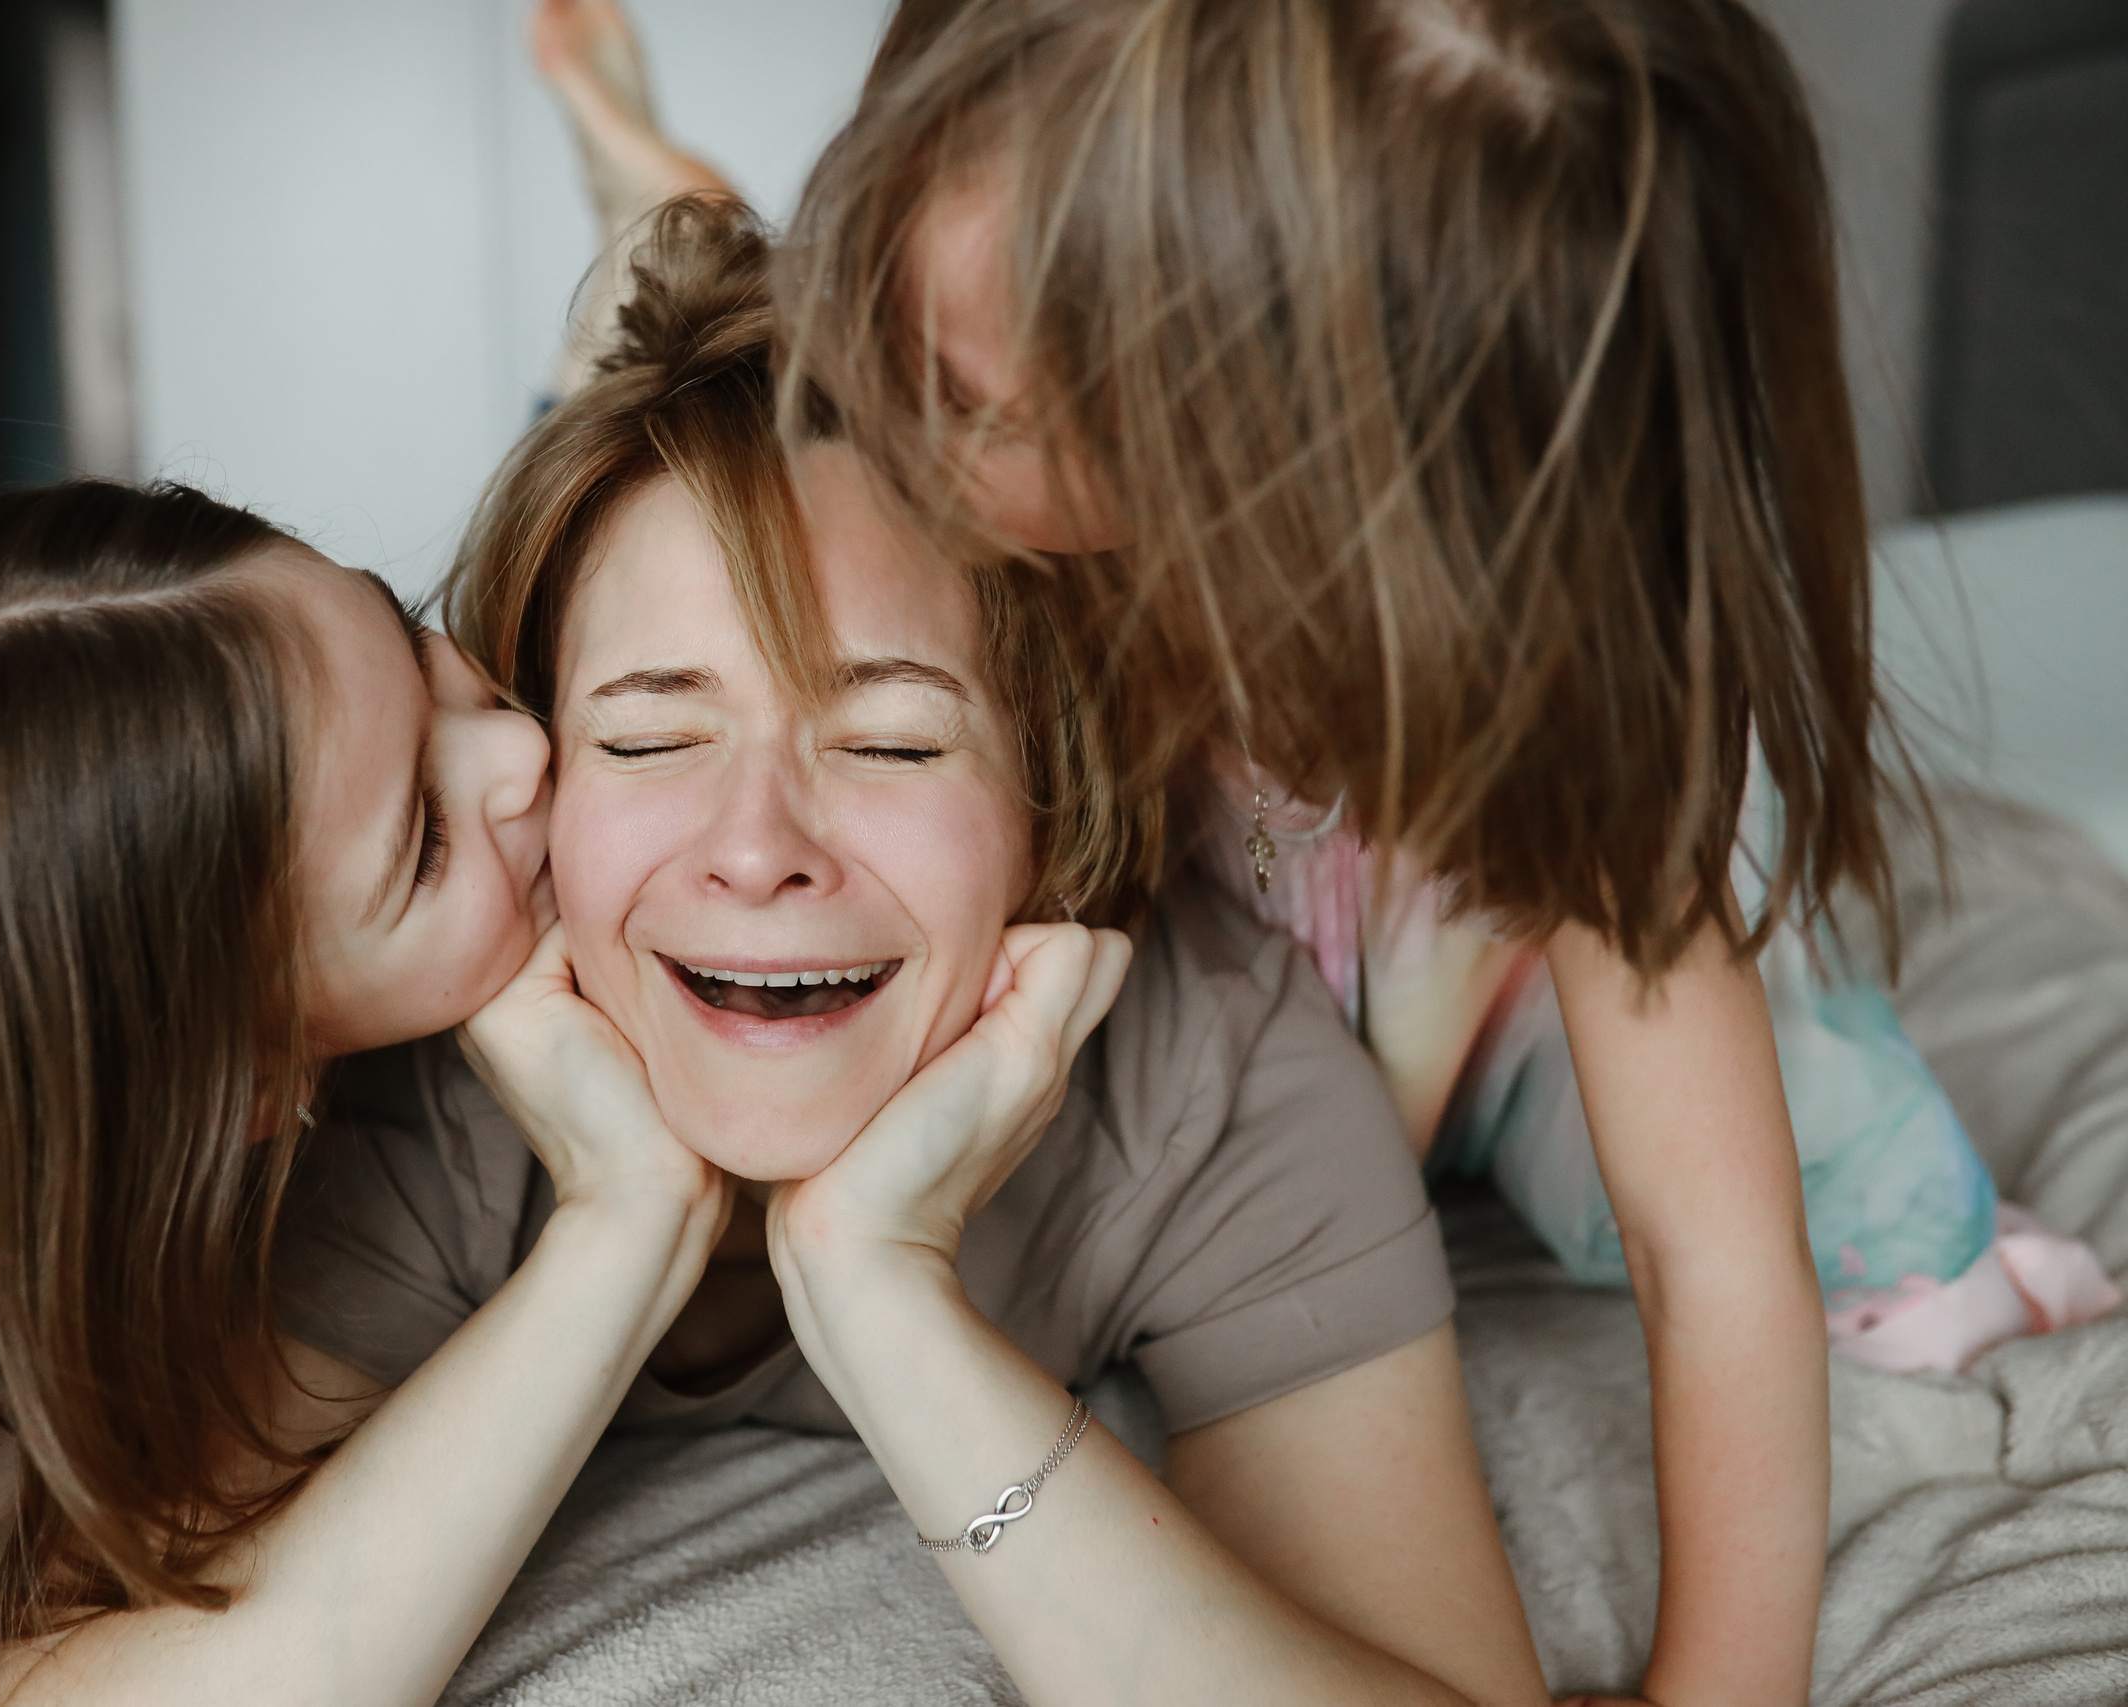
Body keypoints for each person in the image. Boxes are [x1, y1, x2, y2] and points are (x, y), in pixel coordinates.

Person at [770, 3, 2122, 1702]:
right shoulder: (1010, 468)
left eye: (976, 403)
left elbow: (1714, 1255)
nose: (919, 429)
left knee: (1860, 1196)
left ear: (1292, 479)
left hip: (1484, 974)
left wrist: (1725, 1685)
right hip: (1276, 1005)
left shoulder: (1565, 716)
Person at [273, 196, 1548, 1707]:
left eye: (888, 738)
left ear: (1047, 803)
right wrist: (618, 1222)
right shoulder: (417, 1079)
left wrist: (883, 1290)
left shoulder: (1209, 1064)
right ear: (538, 769)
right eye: (650, 734)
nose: (758, 845)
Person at [0, 482, 750, 1707]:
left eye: (407, 634)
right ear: (239, 1086)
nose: (523, 744)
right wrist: (626, 1217)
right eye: (426, 845)